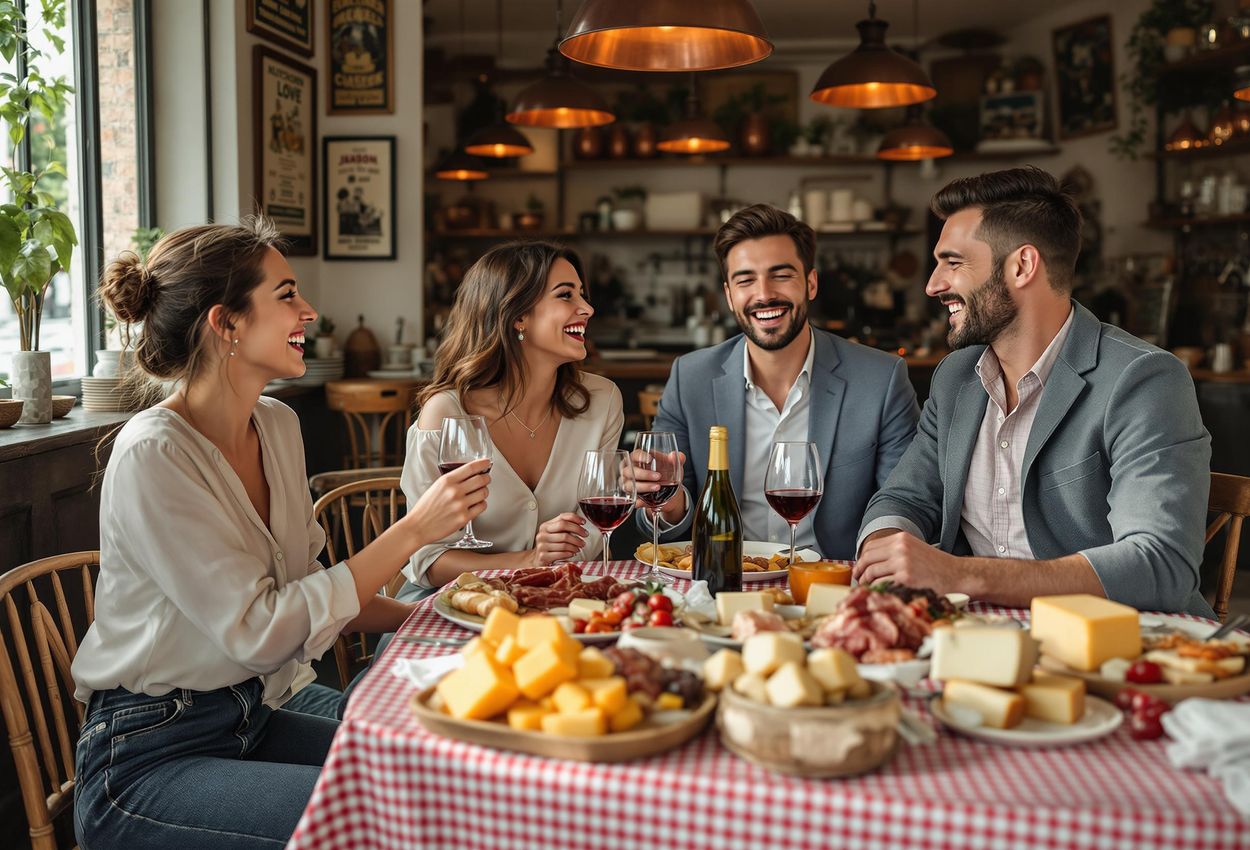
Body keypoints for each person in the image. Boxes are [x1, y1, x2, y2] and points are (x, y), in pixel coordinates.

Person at [71, 219, 490, 850]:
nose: (309, 311)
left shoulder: (277, 425)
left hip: (251, 719)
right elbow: (261, 629)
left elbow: (310, 590)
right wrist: (413, 531)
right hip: (147, 756)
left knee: (435, 777)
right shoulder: (156, 454)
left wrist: (445, 621)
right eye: (287, 294)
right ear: (227, 323)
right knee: (378, 821)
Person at [856, 167, 1213, 616]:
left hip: (1122, 640)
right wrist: (887, 551)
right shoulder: (956, 378)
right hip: (980, 636)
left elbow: (1159, 564)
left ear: (1022, 265)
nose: (933, 284)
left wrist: (963, 574)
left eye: (953, 263)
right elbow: (904, 498)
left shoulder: (1143, 380)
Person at [634, 204, 919, 559]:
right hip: (724, 577)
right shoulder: (690, 377)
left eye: (781, 275)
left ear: (810, 284)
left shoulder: (881, 378)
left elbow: (904, 499)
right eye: (745, 280)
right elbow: (666, 522)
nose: (764, 294)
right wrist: (666, 497)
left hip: (833, 577)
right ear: (729, 295)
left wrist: (880, 551)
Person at [399, 240, 623, 594]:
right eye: (566, 295)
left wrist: (554, 559)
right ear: (518, 316)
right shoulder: (447, 413)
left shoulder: (602, 401)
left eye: (582, 294)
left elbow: (594, 535)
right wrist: (529, 559)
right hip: (455, 597)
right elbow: (428, 560)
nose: (587, 308)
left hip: (558, 593)